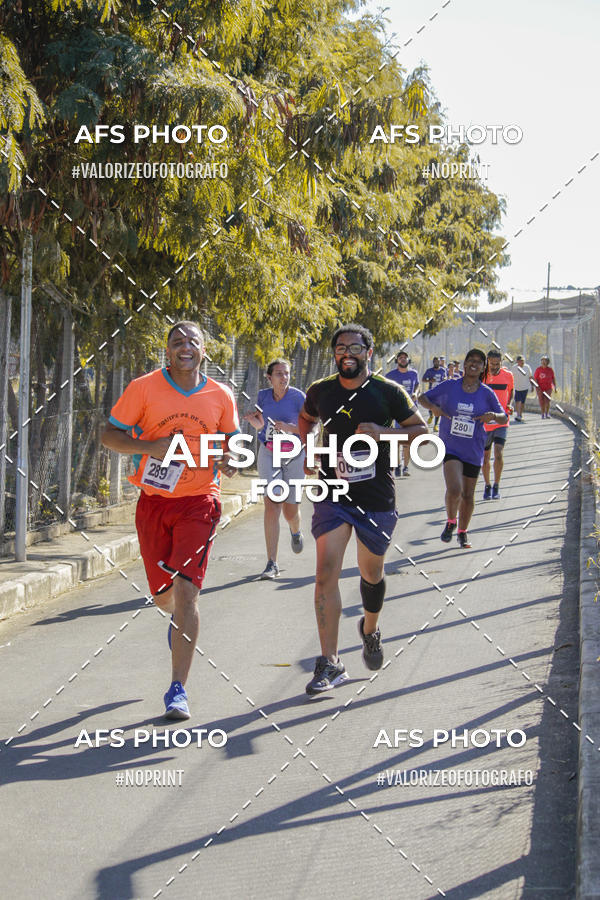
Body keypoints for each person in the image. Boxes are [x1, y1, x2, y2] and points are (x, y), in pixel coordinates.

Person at [101, 321, 240, 720]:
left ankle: (177, 689)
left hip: (200, 501)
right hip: (154, 503)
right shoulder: (143, 388)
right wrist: (149, 446)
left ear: (203, 350)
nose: (185, 347)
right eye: (177, 341)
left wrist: (230, 458)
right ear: (167, 351)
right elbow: (110, 435)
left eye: (192, 341)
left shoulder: (220, 395)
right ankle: (176, 618)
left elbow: (231, 441)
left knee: (187, 594)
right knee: (165, 598)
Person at [298, 324, 428, 696]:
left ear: (368, 353)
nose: (347, 353)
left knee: (371, 575)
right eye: (341, 348)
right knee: (325, 573)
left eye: (355, 347)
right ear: (335, 354)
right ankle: (331, 662)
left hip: (375, 498)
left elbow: (422, 432)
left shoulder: (389, 392)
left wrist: (381, 433)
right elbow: (306, 418)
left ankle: (369, 629)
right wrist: (305, 446)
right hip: (332, 492)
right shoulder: (320, 391)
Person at [419, 348, 507, 549]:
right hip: (451, 446)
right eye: (470, 360)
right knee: (455, 488)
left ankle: (463, 532)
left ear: (483, 367)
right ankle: (451, 521)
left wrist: (492, 415)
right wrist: (433, 408)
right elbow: (423, 397)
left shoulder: (486, 393)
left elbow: (504, 417)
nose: (474, 364)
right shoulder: (450, 386)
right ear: (465, 363)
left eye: (478, 362)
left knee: (468, 495)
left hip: (473, 448)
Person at [244, 359, 306, 579]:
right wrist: (258, 425)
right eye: (279, 374)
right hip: (269, 451)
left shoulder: (299, 397)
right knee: (272, 503)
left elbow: (312, 427)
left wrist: (289, 428)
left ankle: (296, 530)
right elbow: (261, 423)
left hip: (294, 453)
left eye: (287, 373)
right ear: (269, 378)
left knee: (290, 511)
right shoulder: (262, 396)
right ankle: (272, 563)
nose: (284, 377)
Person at [482, 350, 514, 500]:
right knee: (485, 456)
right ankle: (487, 485)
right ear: (487, 361)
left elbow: (511, 391)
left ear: (501, 362)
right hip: (485, 422)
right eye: (491, 363)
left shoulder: (508, 375)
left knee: (499, 453)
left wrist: (509, 404)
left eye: (497, 364)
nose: (494, 366)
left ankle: (496, 485)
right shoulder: (482, 376)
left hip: (502, 420)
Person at [385, 350, 419, 476]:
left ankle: (405, 467)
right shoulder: (390, 375)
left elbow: (417, 385)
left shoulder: (414, 373)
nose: (403, 359)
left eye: (405, 357)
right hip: (396, 411)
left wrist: (416, 393)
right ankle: (398, 465)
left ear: (408, 360)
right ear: (397, 361)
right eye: (400, 358)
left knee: (408, 441)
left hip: (410, 411)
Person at [422, 356, 447, 432]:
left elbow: (445, 377)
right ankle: (431, 415)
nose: (437, 363)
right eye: (435, 361)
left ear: (440, 362)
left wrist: (445, 379)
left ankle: (435, 425)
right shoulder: (429, 371)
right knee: (430, 406)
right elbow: (423, 379)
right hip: (431, 391)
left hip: (439, 392)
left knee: (438, 407)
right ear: (433, 362)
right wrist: (430, 380)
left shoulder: (443, 370)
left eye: (438, 361)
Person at [511, 355, 533, 422]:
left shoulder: (527, 367)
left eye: (523, 361)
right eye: (520, 361)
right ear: (517, 361)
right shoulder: (514, 368)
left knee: (522, 402)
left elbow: (530, 377)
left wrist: (532, 386)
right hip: (517, 387)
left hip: (525, 387)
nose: (522, 362)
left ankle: (520, 414)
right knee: (518, 401)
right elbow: (511, 377)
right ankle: (518, 415)